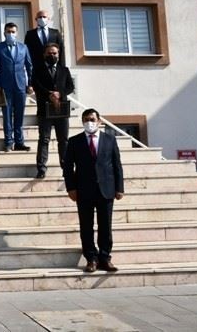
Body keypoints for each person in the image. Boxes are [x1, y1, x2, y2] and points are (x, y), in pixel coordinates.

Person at [63, 109, 124, 273]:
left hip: (106, 189)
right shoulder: (74, 141)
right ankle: (91, 258)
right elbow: (68, 167)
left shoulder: (110, 140)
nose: (89, 123)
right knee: (86, 226)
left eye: (91, 119)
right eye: (85, 120)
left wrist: (119, 188)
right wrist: (71, 188)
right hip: (84, 190)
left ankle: (105, 257)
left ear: (99, 121)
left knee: (105, 225)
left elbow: (117, 165)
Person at [32, 43, 75, 178]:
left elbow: (70, 87)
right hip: (44, 110)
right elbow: (36, 85)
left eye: (54, 53)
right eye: (49, 53)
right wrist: (49, 94)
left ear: (58, 54)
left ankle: (66, 167)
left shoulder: (64, 70)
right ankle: (41, 168)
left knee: (63, 140)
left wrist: (60, 94)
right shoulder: (38, 70)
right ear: (44, 54)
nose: (52, 55)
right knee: (44, 139)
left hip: (61, 110)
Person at [0, 23, 33, 152]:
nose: (11, 34)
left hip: (20, 86)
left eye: (13, 31)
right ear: (4, 33)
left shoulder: (23, 47)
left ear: (17, 33)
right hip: (5, 87)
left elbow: (29, 67)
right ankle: (8, 142)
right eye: (8, 31)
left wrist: (30, 84)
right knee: (7, 115)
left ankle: (19, 142)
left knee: (19, 115)